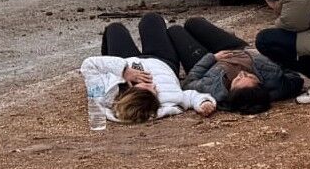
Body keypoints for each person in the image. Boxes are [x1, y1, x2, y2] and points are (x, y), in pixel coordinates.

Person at [80, 14, 218, 123]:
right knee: (151, 19)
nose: (153, 85)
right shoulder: (164, 102)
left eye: (146, 85)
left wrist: (124, 71)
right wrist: (203, 102)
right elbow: (190, 96)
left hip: (124, 60)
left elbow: (89, 65)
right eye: (154, 91)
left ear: (130, 92)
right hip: (161, 60)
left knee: (115, 28)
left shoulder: (104, 96)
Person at [170, 16, 304, 114]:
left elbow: (188, 83)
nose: (241, 73)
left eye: (238, 80)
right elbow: (296, 78)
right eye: (250, 77)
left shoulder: (213, 91)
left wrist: (212, 58)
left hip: (208, 63)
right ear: (261, 84)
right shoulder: (276, 83)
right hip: (239, 50)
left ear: (230, 91)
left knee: (175, 30)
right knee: (194, 22)